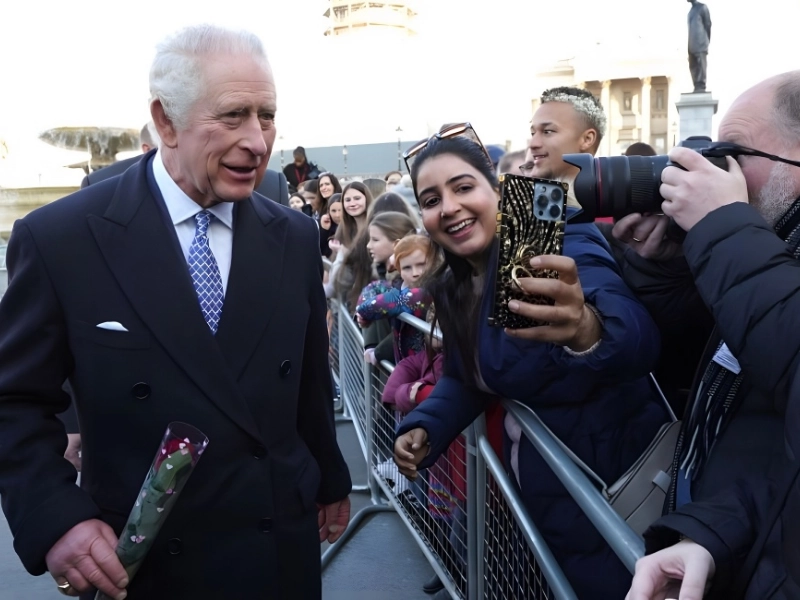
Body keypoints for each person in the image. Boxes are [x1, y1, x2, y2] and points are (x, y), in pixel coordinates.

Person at [0, 24, 351, 600]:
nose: (258, 141)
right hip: (141, 562)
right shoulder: (61, 239)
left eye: (266, 116)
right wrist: (55, 516)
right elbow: (13, 402)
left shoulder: (294, 235)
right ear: (166, 121)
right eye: (233, 116)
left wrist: (331, 480)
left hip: (276, 552)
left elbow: (308, 384)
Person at [393, 123, 667, 598]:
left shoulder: (542, 231)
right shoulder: (455, 282)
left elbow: (636, 337)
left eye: (463, 187)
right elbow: (469, 375)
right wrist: (427, 424)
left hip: (612, 487)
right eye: (432, 199)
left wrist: (587, 329)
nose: (449, 207)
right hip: (543, 496)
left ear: (497, 190)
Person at [620, 70, 800, 600]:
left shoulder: (748, 246)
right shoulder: (768, 249)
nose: (719, 170)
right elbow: (723, 379)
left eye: (733, 153)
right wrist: (668, 265)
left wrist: (723, 226)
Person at [687, 0, 712, 93]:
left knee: (701, 66)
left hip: (701, 43)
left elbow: (708, 25)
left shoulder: (702, 7)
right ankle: (696, 86)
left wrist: (705, 41)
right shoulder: (690, 12)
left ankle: (701, 86)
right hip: (691, 44)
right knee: (693, 66)